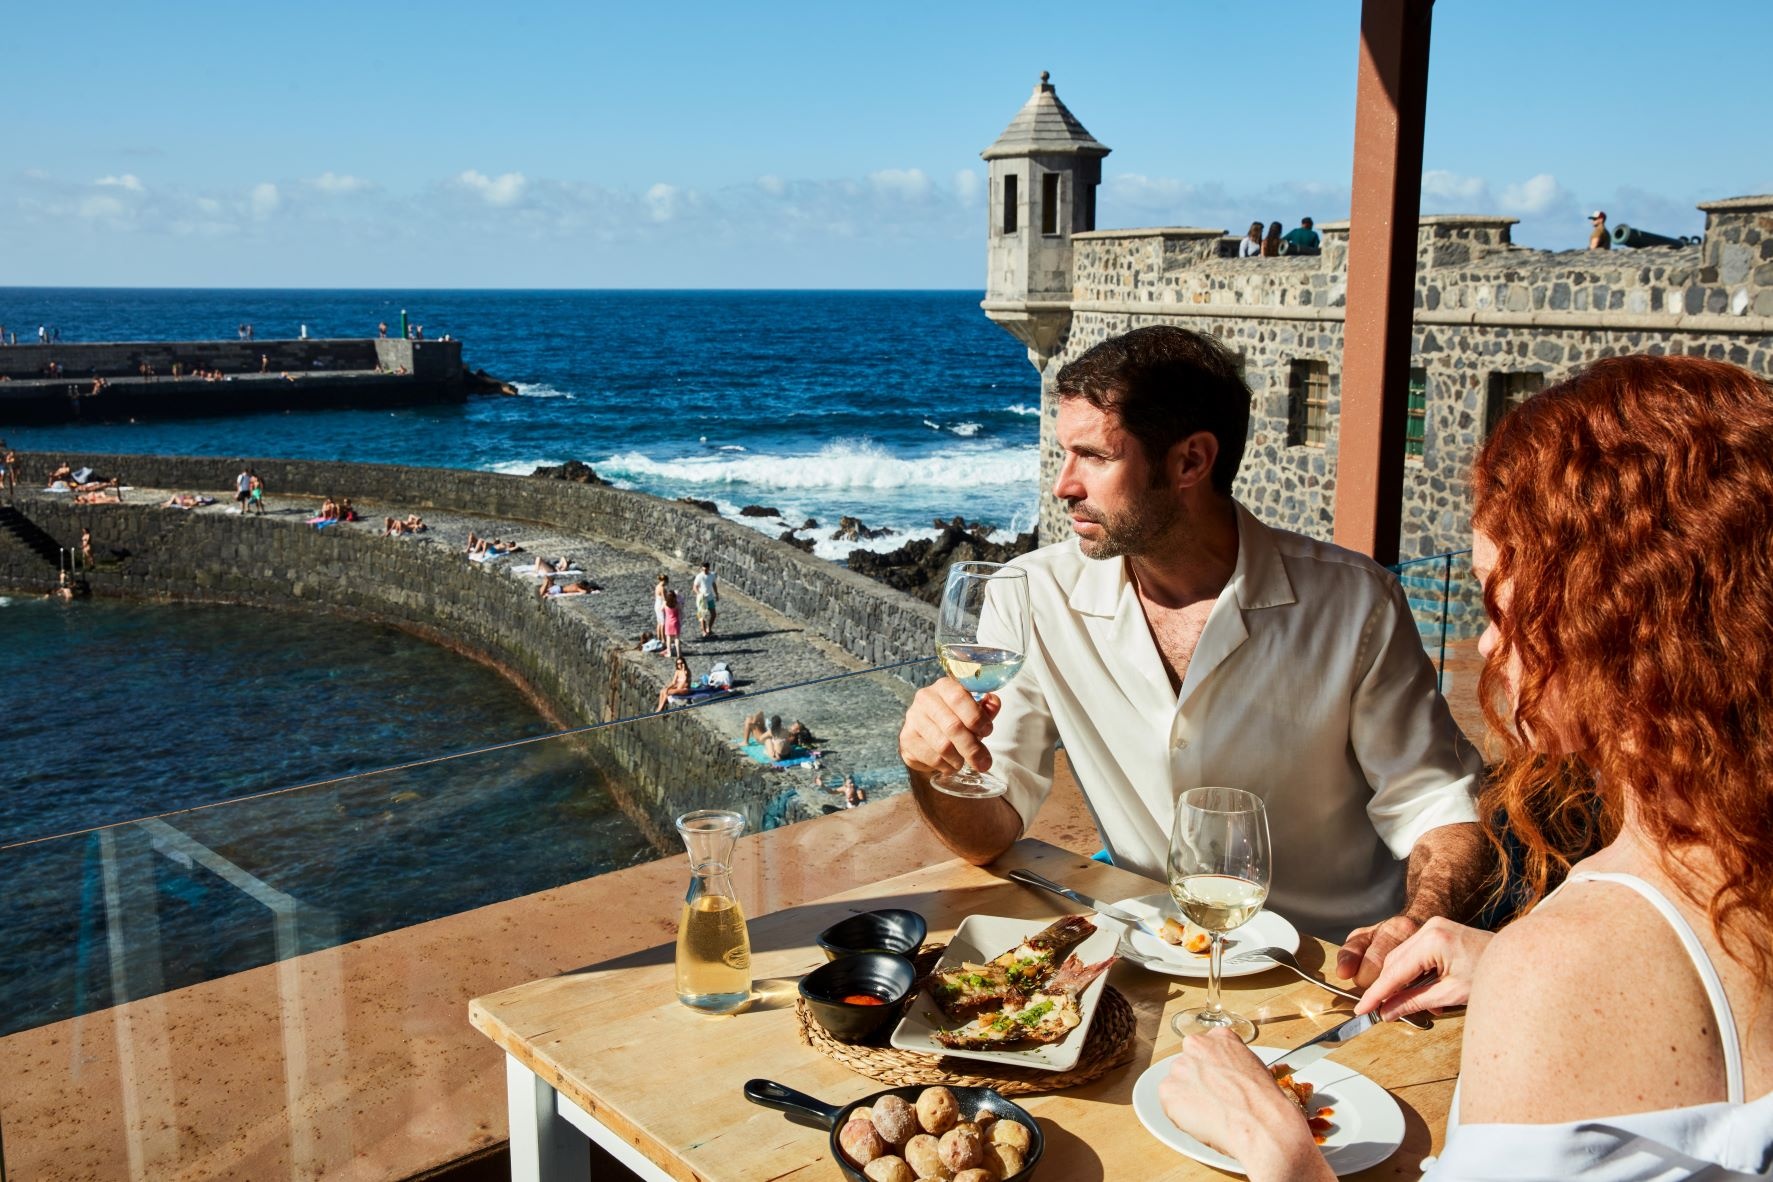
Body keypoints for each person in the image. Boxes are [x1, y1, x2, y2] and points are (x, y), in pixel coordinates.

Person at [1159, 353, 1773, 1181]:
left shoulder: (1569, 962)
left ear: (1611, 619)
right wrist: (1500, 962)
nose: (1484, 644)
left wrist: (1272, 1141)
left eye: (1496, 599)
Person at [897, 325, 1485, 959]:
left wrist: (1418, 922)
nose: (1064, 484)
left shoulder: (1356, 603)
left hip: (1331, 961)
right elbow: (990, 830)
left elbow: (1437, 805)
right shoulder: (1031, 594)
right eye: (1065, 453)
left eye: (1094, 456)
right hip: (1153, 952)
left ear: (1191, 461)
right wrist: (929, 767)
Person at [693, 562, 719, 637]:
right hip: (702, 599)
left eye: (706, 569)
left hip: (710, 597)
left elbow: (713, 584)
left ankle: (709, 629)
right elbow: (695, 587)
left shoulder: (711, 575)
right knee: (702, 615)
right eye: (703, 568)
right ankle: (704, 631)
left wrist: (716, 594)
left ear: (708, 568)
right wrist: (699, 594)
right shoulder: (699, 576)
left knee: (713, 614)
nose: (705, 570)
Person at [661, 588, 683, 658]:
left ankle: (669, 653)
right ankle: (679, 654)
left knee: (668, 638)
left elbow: (661, 609)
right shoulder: (677, 604)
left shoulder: (665, 603)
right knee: (677, 638)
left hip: (668, 622)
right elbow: (681, 611)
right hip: (676, 622)